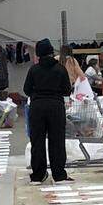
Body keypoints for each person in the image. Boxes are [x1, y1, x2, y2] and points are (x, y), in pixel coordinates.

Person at [23, 38, 71, 183]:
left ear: (38, 54)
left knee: (37, 141)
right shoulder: (60, 69)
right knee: (57, 140)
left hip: (37, 108)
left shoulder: (34, 70)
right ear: (51, 52)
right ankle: (59, 174)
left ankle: (38, 175)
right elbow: (67, 90)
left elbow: (26, 90)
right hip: (56, 107)